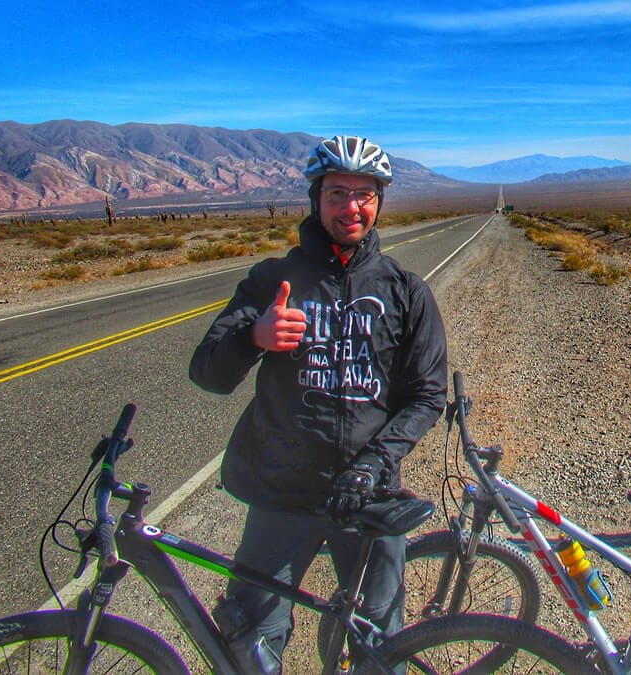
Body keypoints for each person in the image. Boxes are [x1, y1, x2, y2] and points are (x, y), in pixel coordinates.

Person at [189, 135, 448, 669]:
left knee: (379, 645)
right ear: (315, 197)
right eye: (337, 193)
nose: (351, 206)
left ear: (379, 201)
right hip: (282, 494)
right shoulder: (271, 280)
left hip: (370, 497)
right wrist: (253, 338)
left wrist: (377, 462)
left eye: (364, 194)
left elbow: (427, 394)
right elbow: (208, 373)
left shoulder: (405, 290)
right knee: (249, 643)